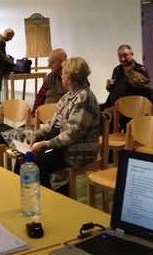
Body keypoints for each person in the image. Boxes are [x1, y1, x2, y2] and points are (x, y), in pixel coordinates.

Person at [29, 57, 102, 196]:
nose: (61, 76)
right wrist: (37, 135)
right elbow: (52, 123)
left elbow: (73, 133)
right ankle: (31, 195)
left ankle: (48, 199)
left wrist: (45, 144)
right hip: (63, 146)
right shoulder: (68, 96)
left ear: (70, 77)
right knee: (24, 156)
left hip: (78, 150)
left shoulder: (83, 98)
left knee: (36, 163)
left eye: (63, 73)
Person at [102, 44, 152, 111]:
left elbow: (145, 92)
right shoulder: (117, 69)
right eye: (120, 56)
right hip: (115, 104)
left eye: (125, 55)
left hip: (133, 105)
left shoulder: (140, 69)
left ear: (132, 54)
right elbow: (112, 90)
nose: (123, 59)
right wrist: (109, 86)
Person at [32, 48, 68, 116]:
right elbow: (40, 97)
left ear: (63, 63)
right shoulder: (50, 76)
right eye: (49, 61)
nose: (48, 65)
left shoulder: (73, 78)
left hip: (59, 118)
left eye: (52, 62)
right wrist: (34, 114)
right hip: (44, 116)